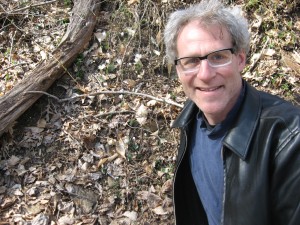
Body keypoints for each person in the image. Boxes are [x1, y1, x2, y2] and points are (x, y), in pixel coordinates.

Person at [163, 0, 300, 224]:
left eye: (218, 57)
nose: (205, 74)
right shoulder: (190, 121)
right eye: (191, 61)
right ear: (178, 70)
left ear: (240, 59)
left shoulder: (289, 138)